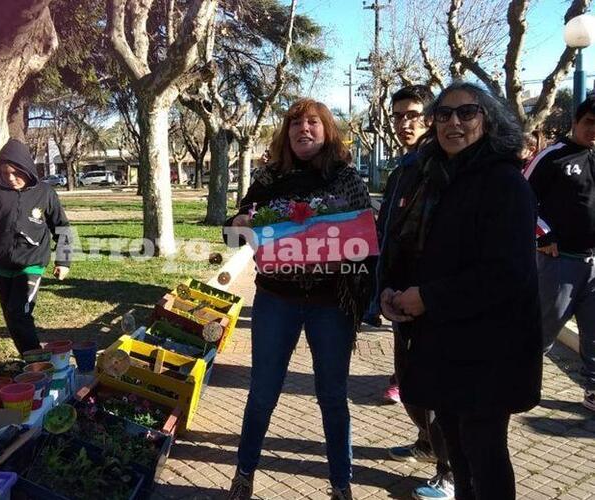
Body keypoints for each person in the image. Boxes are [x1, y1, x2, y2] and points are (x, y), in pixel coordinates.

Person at [382, 82, 542, 499]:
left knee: (484, 456)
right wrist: (392, 290)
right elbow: (410, 246)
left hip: (490, 352)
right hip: (444, 344)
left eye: (467, 113)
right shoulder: (433, 177)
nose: (454, 122)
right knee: (457, 451)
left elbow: (508, 273)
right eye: (444, 115)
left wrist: (428, 297)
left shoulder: (504, 182)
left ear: (487, 121)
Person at [223, 98, 373, 500]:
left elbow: (366, 238)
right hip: (276, 298)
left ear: (326, 129)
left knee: (332, 397)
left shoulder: (345, 177)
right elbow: (232, 231)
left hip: (331, 303)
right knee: (262, 392)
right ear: (285, 134)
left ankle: (342, 486)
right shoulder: (269, 177)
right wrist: (239, 222)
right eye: (294, 124)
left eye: (312, 122)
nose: (303, 129)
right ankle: (243, 474)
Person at [375, 85, 455, 500]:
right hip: (399, 296)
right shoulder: (403, 168)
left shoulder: (439, 166)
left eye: (413, 114)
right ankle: (426, 444)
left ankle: (450, 470)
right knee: (409, 383)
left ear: (430, 116)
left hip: (431, 300)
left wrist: (426, 292)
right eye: (398, 116)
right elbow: (391, 233)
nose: (404, 123)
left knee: (438, 389)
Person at [0, 138, 72, 354]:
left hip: (31, 264)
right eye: (4, 173)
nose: (10, 178)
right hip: (1, 265)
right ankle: (31, 360)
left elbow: (62, 226)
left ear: (27, 169)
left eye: (16, 173)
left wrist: (64, 260)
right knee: (12, 316)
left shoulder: (45, 193)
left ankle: (38, 362)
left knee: (18, 312)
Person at [524, 95, 595, 412]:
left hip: (593, 263)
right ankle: (518, 380)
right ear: (576, 122)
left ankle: (593, 389)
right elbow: (521, 199)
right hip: (559, 263)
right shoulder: (553, 157)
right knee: (542, 331)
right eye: (589, 123)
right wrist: (543, 234)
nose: (594, 131)